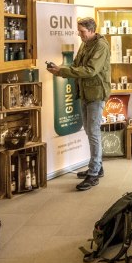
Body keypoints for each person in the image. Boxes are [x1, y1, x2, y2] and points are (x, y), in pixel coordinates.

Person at [47, 17, 111, 191]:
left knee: (94, 132)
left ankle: (94, 174)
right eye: (79, 31)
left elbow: (90, 71)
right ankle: (97, 167)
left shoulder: (101, 47)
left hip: (96, 95)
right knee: (90, 132)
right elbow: (76, 65)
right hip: (85, 93)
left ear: (91, 30)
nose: (79, 34)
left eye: (82, 31)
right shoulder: (85, 43)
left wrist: (62, 70)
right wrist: (60, 70)